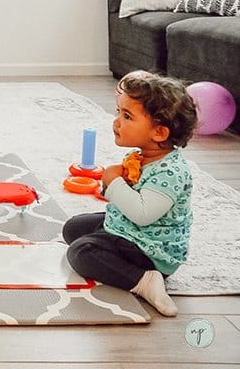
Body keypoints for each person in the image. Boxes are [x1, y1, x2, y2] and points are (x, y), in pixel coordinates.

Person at [63, 71, 198, 317]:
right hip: (132, 231)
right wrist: (117, 183)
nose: (116, 122)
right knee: (72, 228)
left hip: (151, 250)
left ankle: (144, 280)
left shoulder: (171, 172)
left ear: (159, 133)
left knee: (81, 252)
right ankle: (110, 243)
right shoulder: (145, 156)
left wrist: (113, 182)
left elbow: (143, 213)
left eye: (127, 116)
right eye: (118, 112)